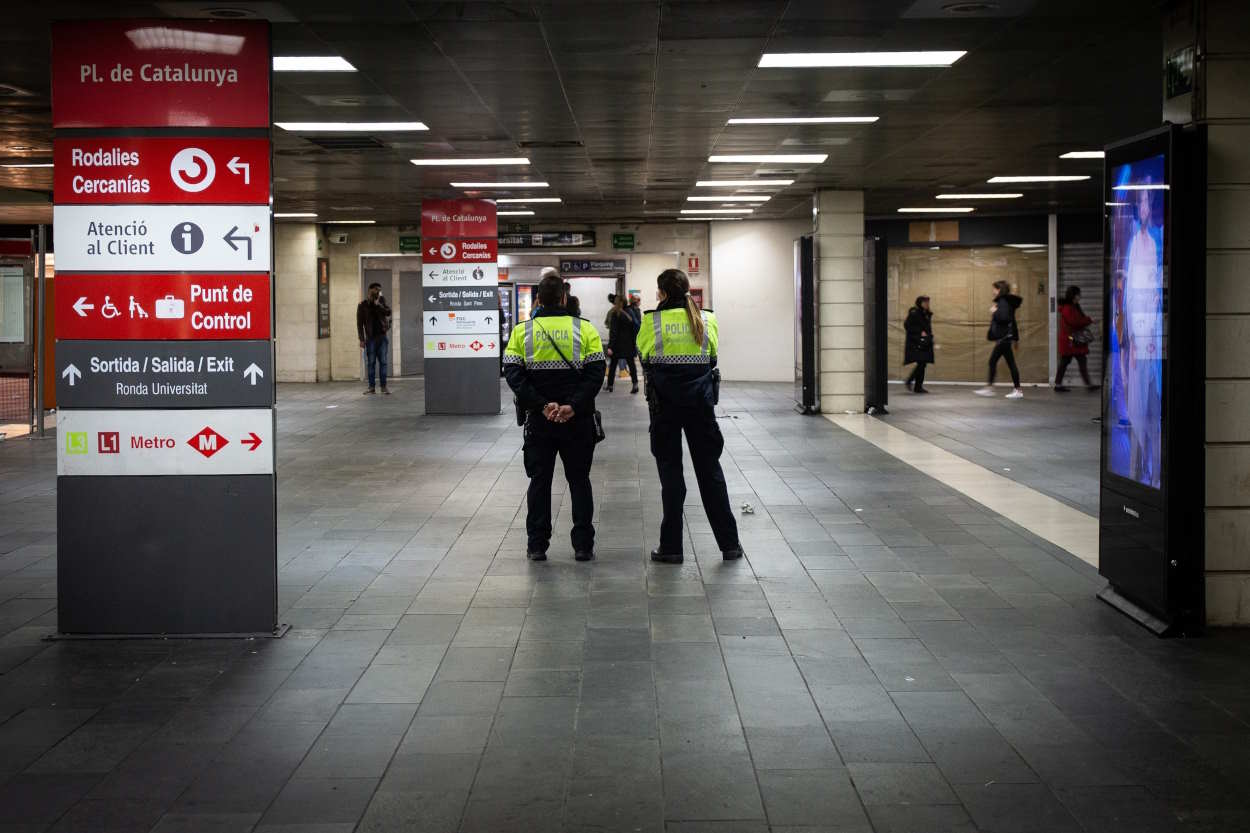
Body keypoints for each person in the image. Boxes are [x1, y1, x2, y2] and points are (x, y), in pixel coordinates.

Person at [638, 269, 744, 564]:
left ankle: (671, 547)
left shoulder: (651, 320)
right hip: (700, 405)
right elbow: (712, 357)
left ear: (661, 293)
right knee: (710, 473)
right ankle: (730, 545)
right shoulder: (706, 318)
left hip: (664, 408)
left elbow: (644, 357)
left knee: (671, 476)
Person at [502, 269, 606, 563]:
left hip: (539, 421)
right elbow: (596, 373)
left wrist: (542, 405)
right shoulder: (584, 329)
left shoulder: (523, 331)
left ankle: (537, 545)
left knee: (540, 482)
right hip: (578, 421)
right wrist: (571, 405)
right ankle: (583, 546)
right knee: (579, 481)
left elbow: (513, 373)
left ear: (538, 300)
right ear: (564, 297)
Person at [974, 280, 1023, 399]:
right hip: (1006, 338)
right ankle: (1016, 389)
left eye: (994, 289)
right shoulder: (1006, 302)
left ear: (999, 290)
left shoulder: (1003, 302)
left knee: (993, 361)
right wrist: (1015, 338)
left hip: (1004, 338)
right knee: (1009, 363)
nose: (993, 291)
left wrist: (994, 312)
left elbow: (1004, 318)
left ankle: (991, 388)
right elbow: (1012, 321)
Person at [1056, 285, 1095, 392]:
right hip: (1071, 341)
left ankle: (1088, 385)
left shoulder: (1074, 306)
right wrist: (1089, 320)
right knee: (1065, 362)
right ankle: (1058, 385)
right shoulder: (1068, 308)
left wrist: (1087, 320)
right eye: (1078, 294)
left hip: (1074, 340)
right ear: (1074, 296)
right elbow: (1075, 322)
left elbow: (1078, 320)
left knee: (1079, 361)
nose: (1080, 296)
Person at [357, 281, 392, 394]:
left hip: (382, 337)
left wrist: (379, 305)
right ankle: (371, 387)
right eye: (376, 290)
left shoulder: (381, 301)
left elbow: (388, 312)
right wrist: (361, 339)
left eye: (379, 290)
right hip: (370, 338)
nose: (378, 292)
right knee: (371, 363)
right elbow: (359, 323)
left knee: (383, 362)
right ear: (370, 291)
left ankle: (383, 387)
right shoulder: (362, 305)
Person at [605, 293, 640, 394]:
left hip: (617, 345)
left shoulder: (616, 313)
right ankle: (635, 384)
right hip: (629, 343)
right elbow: (635, 327)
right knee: (631, 365)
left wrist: (610, 346)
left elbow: (614, 331)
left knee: (613, 365)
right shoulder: (630, 311)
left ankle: (610, 385)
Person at [902, 295, 934, 394]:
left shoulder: (925, 314)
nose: (927, 304)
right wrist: (920, 332)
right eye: (925, 302)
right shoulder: (915, 313)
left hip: (924, 342)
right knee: (921, 363)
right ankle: (911, 381)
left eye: (928, 302)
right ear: (920, 303)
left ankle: (917, 386)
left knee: (923, 364)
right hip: (916, 342)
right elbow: (907, 325)